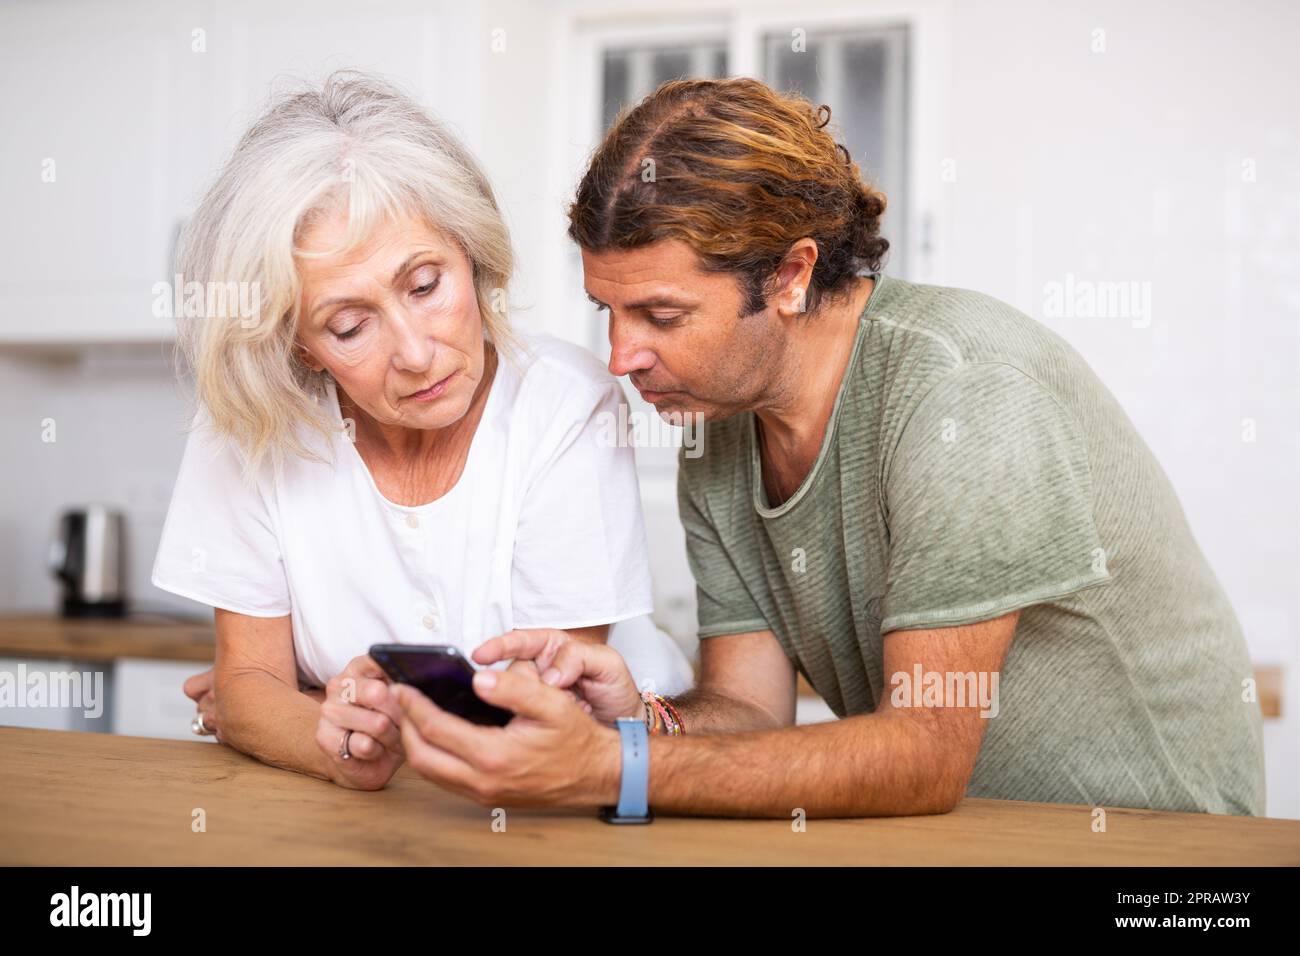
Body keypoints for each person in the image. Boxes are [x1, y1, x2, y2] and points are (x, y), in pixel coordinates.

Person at [390, 77, 1265, 818]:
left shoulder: (962, 391)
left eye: (662, 316)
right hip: (965, 842)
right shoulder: (714, 429)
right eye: (609, 314)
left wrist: (612, 770)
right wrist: (636, 723)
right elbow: (750, 711)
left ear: (792, 275)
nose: (621, 359)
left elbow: (923, 753)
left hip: (1165, 858)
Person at [151, 70, 690, 792]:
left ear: (471, 253)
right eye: (349, 326)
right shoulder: (248, 427)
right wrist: (330, 739)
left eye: (426, 286)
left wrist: (318, 710)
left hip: (601, 786)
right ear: (299, 346)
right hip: (374, 817)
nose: (414, 352)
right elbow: (246, 682)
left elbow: (538, 717)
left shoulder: (568, 406)